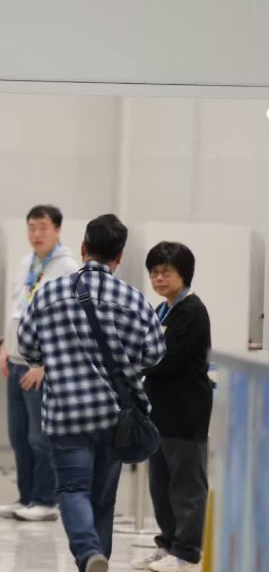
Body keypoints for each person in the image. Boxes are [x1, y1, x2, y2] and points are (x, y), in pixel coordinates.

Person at [17, 214, 166, 572]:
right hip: (114, 415)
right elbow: (155, 352)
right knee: (103, 498)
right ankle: (97, 559)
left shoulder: (49, 292)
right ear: (120, 256)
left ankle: (88, 555)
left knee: (72, 490)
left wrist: (53, 357)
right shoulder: (132, 298)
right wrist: (125, 362)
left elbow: (27, 346)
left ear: (83, 247)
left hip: (66, 414)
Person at [0, 205, 80, 522]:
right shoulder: (26, 263)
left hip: (42, 367)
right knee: (18, 436)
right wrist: (5, 347)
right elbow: (16, 308)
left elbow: (69, 322)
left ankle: (45, 500)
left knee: (40, 436)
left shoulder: (67, 267)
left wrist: (44, 365)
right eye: (32, 227)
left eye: (43, 227)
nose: (36, 234)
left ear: (57, 230)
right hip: (16, 361)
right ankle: (26, 497)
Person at [131, 243, 212, 572]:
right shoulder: (162, 310)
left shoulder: (191, 311)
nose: (159, 278)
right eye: (154, 272)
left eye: (166, 272)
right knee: (160, 484)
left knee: (186, 484)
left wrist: (134, 360)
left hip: (185, 413)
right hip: (159, 412)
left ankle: (187, 553)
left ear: (184, 274)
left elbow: (166, 358)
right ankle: (167, 544)